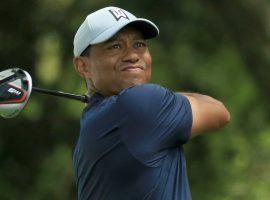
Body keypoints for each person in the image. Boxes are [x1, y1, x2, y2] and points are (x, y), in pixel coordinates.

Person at [72, 6, 230, 200]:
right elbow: (219, 112)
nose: (132, 55)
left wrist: (164, 100)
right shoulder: (140, 104)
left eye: (139, 44)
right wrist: (164, 99)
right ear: (83, 66)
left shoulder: (91, 125)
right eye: (114, 46)